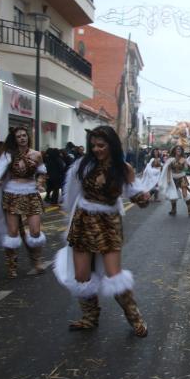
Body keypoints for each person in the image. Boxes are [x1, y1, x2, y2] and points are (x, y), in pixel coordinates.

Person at [53, 126, 150, 337]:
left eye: (101, 145)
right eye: (93, 145)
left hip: (108, 225)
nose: (96, 149)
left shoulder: (124, 169)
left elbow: (136, 197)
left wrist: (143, 198)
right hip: (83, 222)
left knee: (115, 276)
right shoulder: (83, 165)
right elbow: (71, 195)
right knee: (81, 276)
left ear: (111, 146)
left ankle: (135, 318)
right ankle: (90, 317)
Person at [0, 127, 46, 278]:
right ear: (15, 139)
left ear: (28, 137)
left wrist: (40, 182)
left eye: (24, 135)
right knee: (12, 232)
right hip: (12, 194)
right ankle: (11, 265)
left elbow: (42, 172)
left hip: (31, 195)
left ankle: (37, 261)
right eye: (19, 136)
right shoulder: (9, 155)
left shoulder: (37, 154)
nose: (22, 138)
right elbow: (1, 173)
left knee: (35, 231)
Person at [158, 145, 190, 216]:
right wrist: (168, 179)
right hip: (173, 178)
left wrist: (186, 165)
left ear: (181, 151)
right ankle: (173, 209)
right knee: (172, 194)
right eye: (177, 149)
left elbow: (187, 169)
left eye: (180, 149)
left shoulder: (183, 159)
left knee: (185, 195)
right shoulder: (170, 159)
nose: (178, 150)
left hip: (182, 178)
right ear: (174, 150)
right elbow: (168, 169)